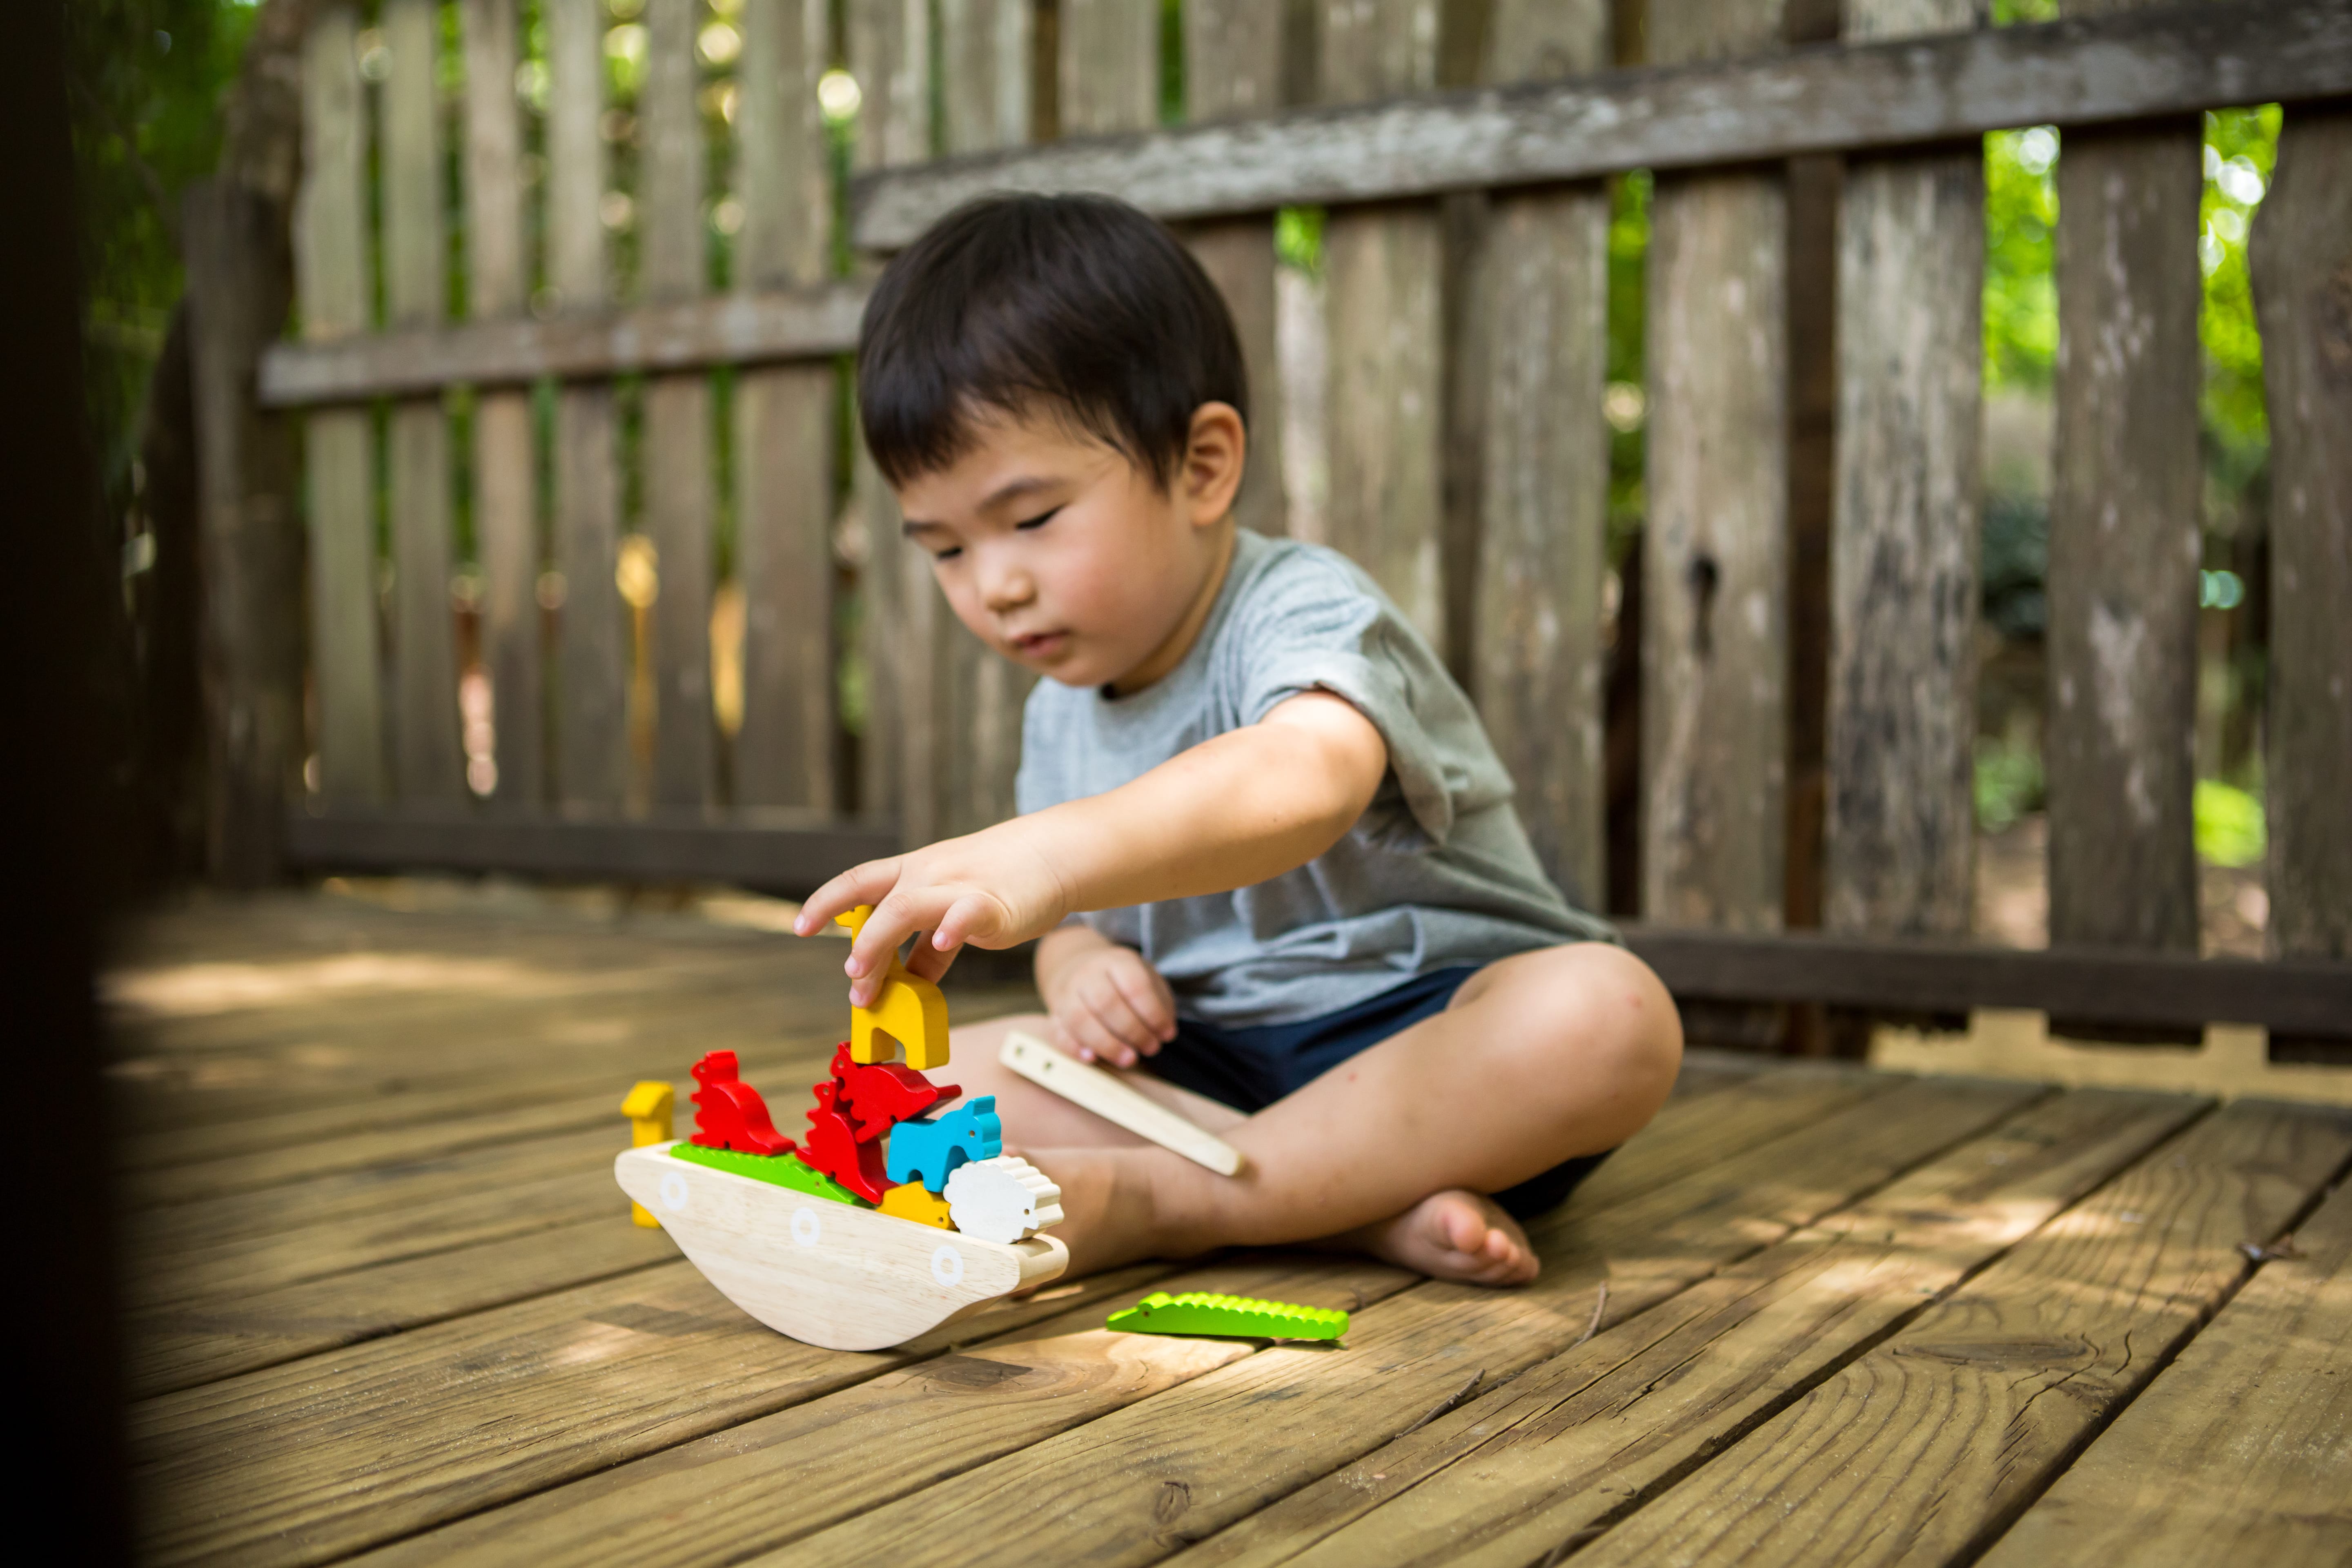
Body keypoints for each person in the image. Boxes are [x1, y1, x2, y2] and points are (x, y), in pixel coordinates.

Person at [793, 194, 1681, 1285]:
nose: (997, 586)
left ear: (1203, 466)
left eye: (1030, 520)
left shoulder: (1297, 606)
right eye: (945, 550)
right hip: (1205, 1070)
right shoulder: (1058, 708)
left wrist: (1048, 855)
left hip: (1429, 1048)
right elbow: (1081, 924)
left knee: (1609, 1013)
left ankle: (1173, 1201)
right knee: (897, 1084)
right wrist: (1081, 963)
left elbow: (1304, 778)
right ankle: (1330, 1204)